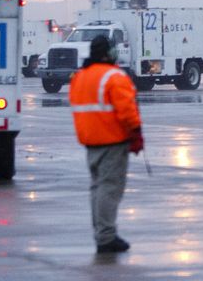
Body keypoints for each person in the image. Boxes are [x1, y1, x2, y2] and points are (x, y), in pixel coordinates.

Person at [69, 34, 143, 254]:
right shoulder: (114, 76)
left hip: (91, 141)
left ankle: (101, 231)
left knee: (97, 188)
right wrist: (136, 132)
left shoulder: (80, 77)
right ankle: (106, 236)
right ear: (107, 53)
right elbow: (127, 110)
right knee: (109, 188)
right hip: (113, 140)